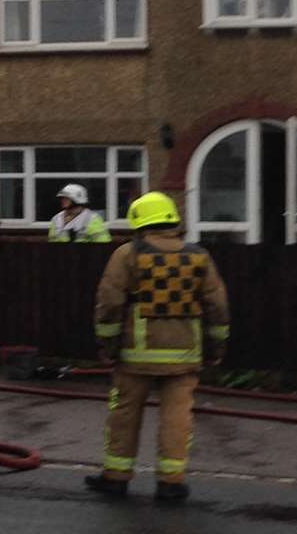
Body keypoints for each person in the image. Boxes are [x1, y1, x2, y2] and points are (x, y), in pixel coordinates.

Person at [83, 191, 230, 503]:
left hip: (135, 353)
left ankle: (116, 477)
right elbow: (217, 306)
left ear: (139, 222)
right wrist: (217, 347)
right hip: (184, 355)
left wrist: (107, 345)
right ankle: (171, 482)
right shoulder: (198, 256)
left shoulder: (127, 255)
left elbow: (109, 304)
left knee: (124, 414)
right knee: (177, 417)